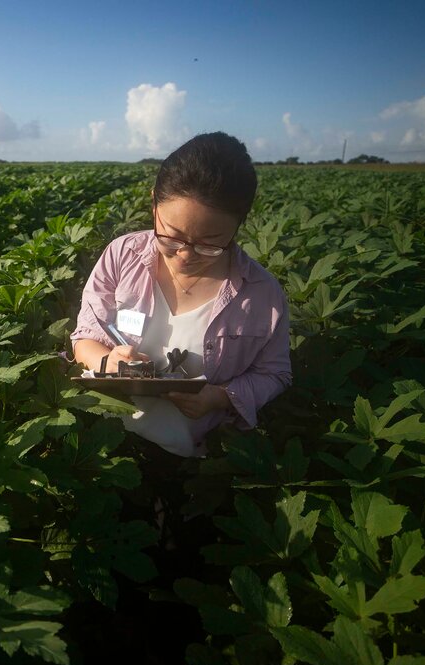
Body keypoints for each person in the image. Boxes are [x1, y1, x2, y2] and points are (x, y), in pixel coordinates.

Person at [71, 132, 291, 457]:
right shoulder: (122, 255)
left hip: (192, 455)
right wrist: (106, 361)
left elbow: (275, 374)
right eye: (171, 236)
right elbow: (85, 338)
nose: (185, 255)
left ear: (239, 225)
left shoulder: (261, 294)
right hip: (106, 440)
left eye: (210, 243)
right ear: (153, 203)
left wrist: (220, 397)